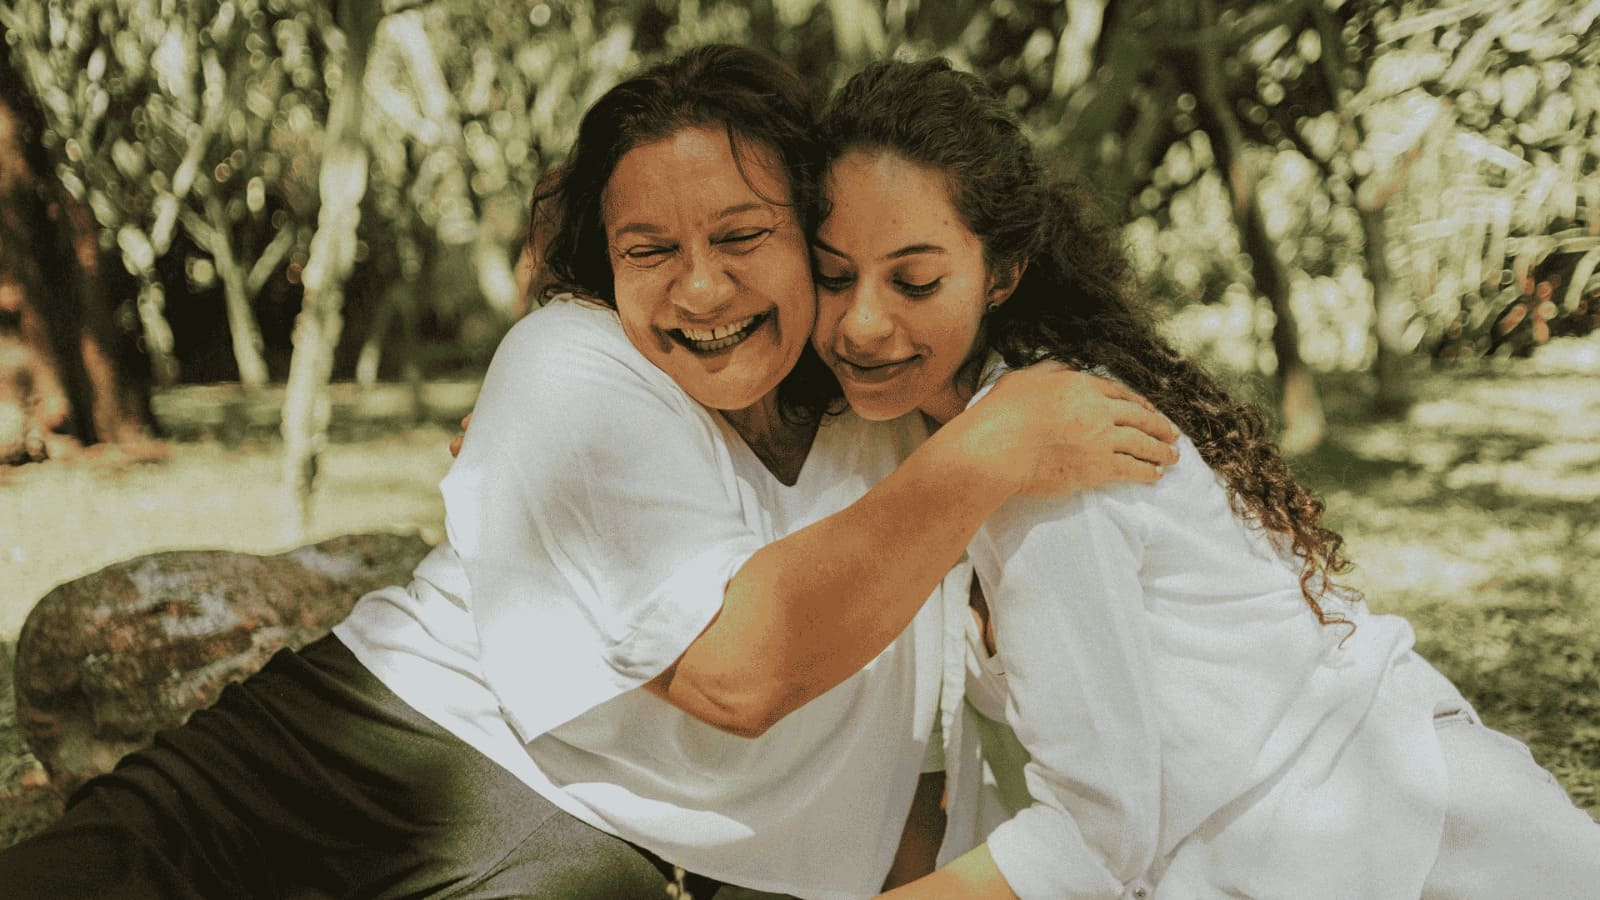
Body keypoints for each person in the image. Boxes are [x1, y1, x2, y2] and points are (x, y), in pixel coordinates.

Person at [0, 47, 1180, 899]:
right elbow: (735, 671)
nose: (701, 290)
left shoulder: (887, 412)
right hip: (362, 753)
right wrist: (988, 448)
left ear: (815, 237)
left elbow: (907, 759)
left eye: (741, 236)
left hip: (589, 858)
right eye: (649, 251)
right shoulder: (572, 362)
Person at [802, 57, 1600, 900]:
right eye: (833, 275)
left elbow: (1095, 841)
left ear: (1003, 273)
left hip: (1424, 853)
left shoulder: (1053, 453)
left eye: (914, 280)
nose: (862, 321)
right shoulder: (919, 438)